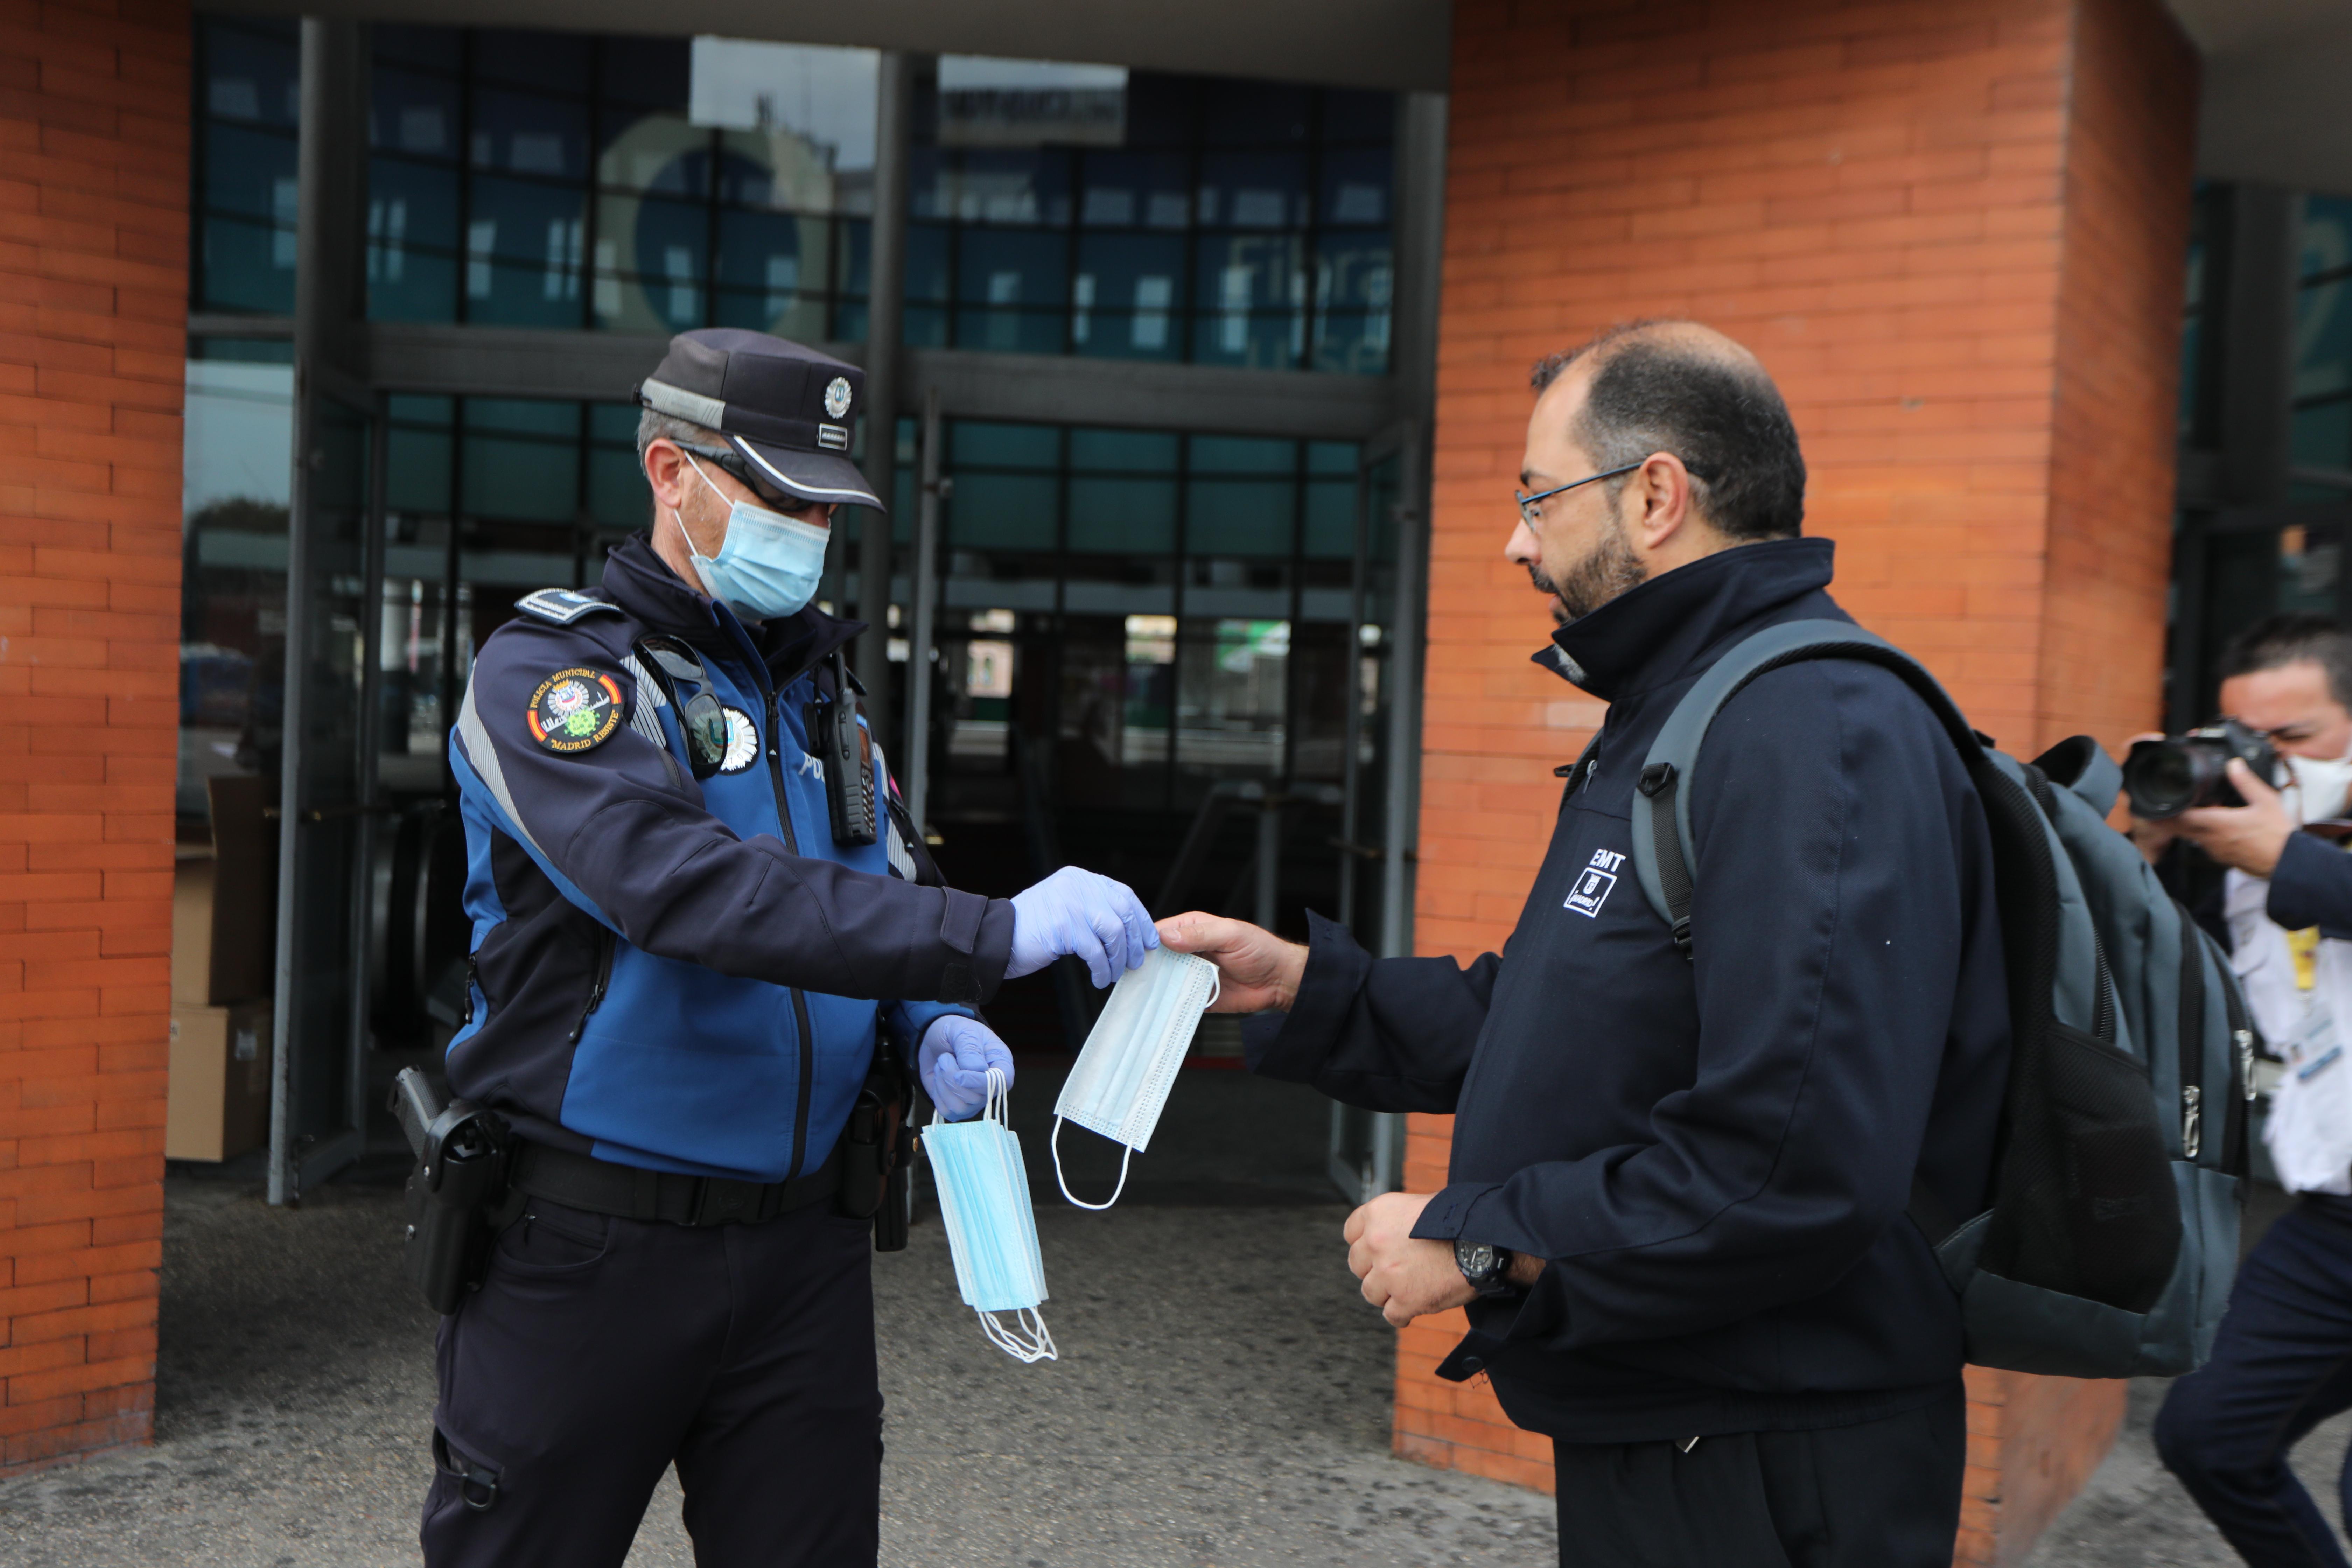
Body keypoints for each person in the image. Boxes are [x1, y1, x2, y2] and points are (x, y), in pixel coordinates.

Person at [1162, 320, 2010, 1567]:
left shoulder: (1811, 730)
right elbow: (1574, 1021)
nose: (1517, 538)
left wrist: (1485, 1240)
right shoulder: (1690, 702)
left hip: (1770, 1452)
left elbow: (1793, 1162)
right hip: (1687, 1417)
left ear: (1657, 495)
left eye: (1537, 497)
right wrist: (1304, 989)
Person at [427, 327, 1157, 1567]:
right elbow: (686, 893)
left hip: (802, 1254)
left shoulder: (820, 691)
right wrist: (996, 937)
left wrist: (934, 1024)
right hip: (593, 1244)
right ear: (671, 472)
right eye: (776, 494)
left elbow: (882, 872)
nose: (806, 529)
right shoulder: (555, 676)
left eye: (824, 505)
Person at [2145, 614, 2352, 1568]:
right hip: (2333, 1224)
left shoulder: (2282, 854)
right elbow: (2167, 976)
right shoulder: (2247, 858)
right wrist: (2133, 853)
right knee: (2207, 1436)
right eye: (2239, 740)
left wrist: (2292, 863)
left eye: (2294, 740)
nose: (2262, 766)